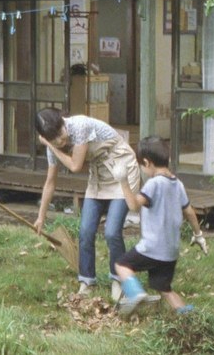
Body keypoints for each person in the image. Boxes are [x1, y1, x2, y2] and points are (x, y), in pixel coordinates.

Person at [34, 107, 140, 299]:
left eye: (59, 133)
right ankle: (87, 281)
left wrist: (51, 146)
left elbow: (75, 166)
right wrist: (41, 217)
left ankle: (118, 280)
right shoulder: (54, 146)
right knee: (85, 231)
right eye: (53, 139)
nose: (59, 140)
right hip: (99, 176)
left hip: (122, 170)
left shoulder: (79, 126)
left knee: (112, 231)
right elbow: (50, 182)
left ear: (63, 121)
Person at [107, 136, 208, 316]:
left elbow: (134, 205)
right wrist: (198, 234)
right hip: (170, 251)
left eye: (142, 165)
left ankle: (135, 293)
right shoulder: (178, 184)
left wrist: (123, 181)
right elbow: (189, 211)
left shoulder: (153, 184)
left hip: (152, 247)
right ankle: (188, 316)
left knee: (121, 265)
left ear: (147, 162)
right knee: (164, 288)